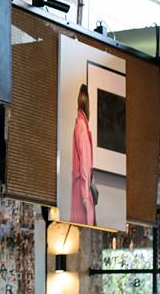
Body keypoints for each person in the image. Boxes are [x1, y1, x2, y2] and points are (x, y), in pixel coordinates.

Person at [71, 83, 95, 226]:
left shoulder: (78, 125)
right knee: (84, 226)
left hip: (78, 184)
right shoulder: (82, 126)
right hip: (83, 187)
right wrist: (86, 195)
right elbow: (85, 163)